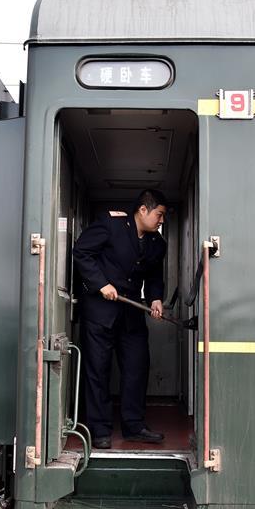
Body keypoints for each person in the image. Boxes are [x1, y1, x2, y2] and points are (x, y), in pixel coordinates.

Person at [72, 189, 168, 449]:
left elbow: (155, 274)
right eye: (159, 215)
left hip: (132, 312)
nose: (161, 221)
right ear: (143, 210)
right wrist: (101, 283)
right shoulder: (111, 224)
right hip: (100, 312)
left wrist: (156, 298)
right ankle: (100, 430)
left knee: (137, 367)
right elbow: (81, 252)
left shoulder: (157, 243)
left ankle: (134, 426)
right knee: (98, 371)